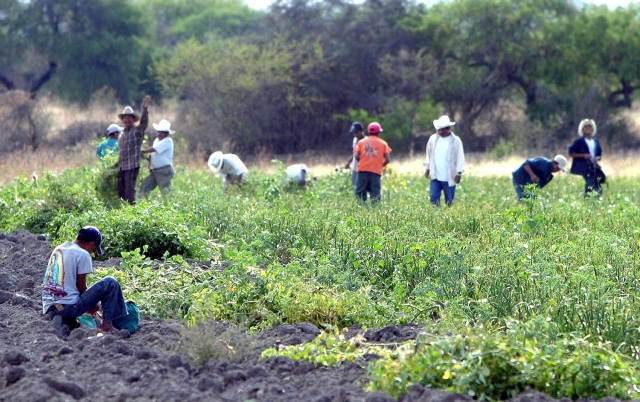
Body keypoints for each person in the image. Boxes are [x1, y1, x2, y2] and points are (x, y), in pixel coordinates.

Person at [42, 226, 127, 336]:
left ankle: (66, 320)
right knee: (111, 282)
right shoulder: (83, 254)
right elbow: (81, 287)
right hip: (69, 307)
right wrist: (94, 307)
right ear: (91, 243)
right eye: (94, 250)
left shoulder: (58, 249)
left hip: (50, 307)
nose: (92, 253)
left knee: (72, 325)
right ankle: (107, 327)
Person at [117, 95, 151, 204]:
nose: (127, 119)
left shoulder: (137, 131)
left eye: (129, 117)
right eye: (125, 118)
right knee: (121, 193)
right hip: (122, 167)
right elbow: (121, 153)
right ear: (123, 120)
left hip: (132, 167)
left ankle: (132, 214)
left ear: (133, 119)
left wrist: (144, 109)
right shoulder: (122, 134)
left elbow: (144, 123)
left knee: (129, 194)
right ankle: (123, 214)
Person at [424, 115, 466, 206]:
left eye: (442, 129)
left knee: (449, 202)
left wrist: (459, 173)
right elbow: (429, 154)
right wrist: (427, 169)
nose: (439, 131)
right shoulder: (432, 139)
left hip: (449, 177)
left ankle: (448, 217)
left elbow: (460, 157)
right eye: (438, 129)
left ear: (448, 129)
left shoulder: (455, 141)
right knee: (433, 198)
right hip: (436, 176)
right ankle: (436, 217)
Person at [353, 122, 392, 203]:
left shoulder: (361, 142)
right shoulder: (383, 143)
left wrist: (364, 161)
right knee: (375, 196)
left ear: (369, 132)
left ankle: (362, 210)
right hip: (375, 173)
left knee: (360, 193)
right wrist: (380, 165)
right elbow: (388, 160)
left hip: (362, 171)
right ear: (378, 133)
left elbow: (356, 156)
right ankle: (375, 213)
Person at [139, 119, 176, 198]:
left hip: (163, 171)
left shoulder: (168, 141)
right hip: (155, 171)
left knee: (166, 194)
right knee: (144, 188)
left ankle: (170, 208)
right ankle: (141, 205)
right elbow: (154, 154)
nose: (159, 133)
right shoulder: (157, 140)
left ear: (166, 133)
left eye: (162, 132)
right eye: (159, 131)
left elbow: (154, 149)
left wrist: (143, 151)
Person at [568, 118, 603, 196]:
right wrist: (584, 155)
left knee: (598, 184)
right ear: (582, 129)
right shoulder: (579, 141)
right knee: (590, 183)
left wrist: (596, 158)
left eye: (590, 126)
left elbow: (599, 155)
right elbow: (571, 153)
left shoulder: (595, 141)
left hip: (594, 166)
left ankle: (596, 200)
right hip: (584, 166)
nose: (588, 128)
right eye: (586, 127)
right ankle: (587, 199)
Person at [344, 122, 366, 188]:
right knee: (355, 188)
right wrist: (349, 162)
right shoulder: (355, 139)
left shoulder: (367, 141)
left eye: (356, 132)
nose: (355, 134)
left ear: (362, 131)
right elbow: (355, 153)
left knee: (362, 188)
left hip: (364, 169)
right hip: (355, 168)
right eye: (353, 132)